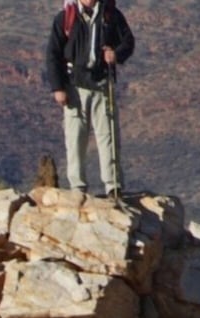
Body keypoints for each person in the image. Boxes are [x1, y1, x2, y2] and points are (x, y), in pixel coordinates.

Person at [45, 0, 134, 198]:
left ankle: (113, 186)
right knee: (75, 138)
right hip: (75, 86)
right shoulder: (65, 18)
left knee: (108, 136)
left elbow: (128, 42)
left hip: (102, 85)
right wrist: (58, 87)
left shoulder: (110, 15)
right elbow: (53, 54)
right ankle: (77, 187)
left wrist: (116, 54)